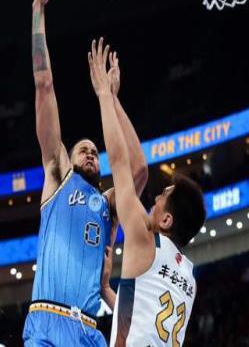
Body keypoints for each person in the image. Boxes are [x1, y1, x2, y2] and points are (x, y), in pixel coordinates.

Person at [23, 0, 148, 346]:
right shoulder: (57, 176)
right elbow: (44, 85)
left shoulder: (108, 205)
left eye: (95, 151)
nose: (91, 153)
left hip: (89, 330)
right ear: (68, 157)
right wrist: (38, 9)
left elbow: (139, 171)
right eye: (83, 149)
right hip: (46, 320)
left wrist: (112, 99)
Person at [89, 44, 206, 346]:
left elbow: (122, 163)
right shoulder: (188, 278)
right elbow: (142, 316)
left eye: (160, 199)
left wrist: (104, 96)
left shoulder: (146, 240)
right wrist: (115, 100)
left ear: (166, 220)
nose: (152, 201)